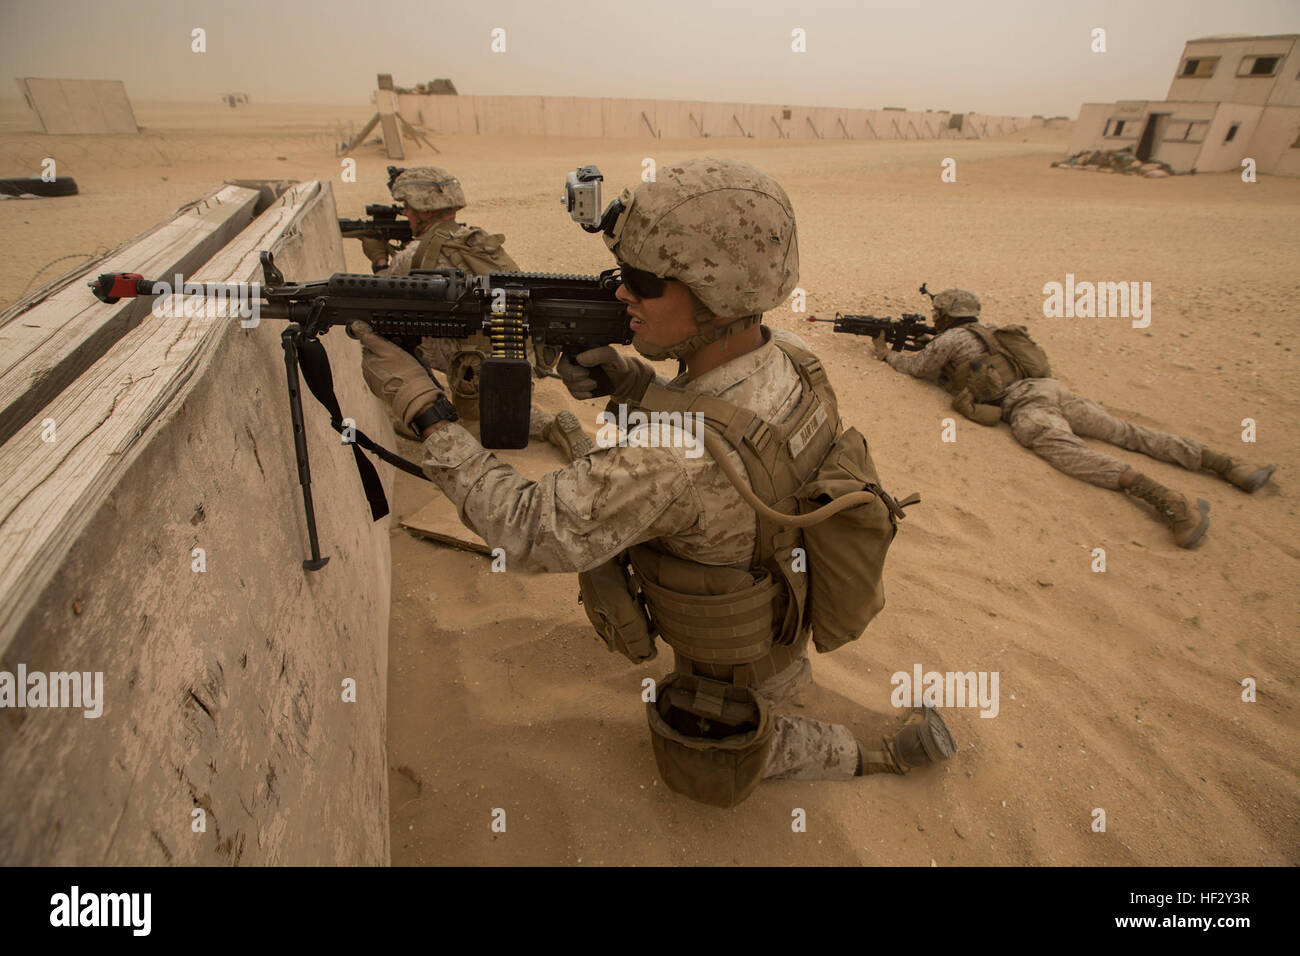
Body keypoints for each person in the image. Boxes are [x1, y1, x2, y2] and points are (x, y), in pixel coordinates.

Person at [350, 158, 955, 807]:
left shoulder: (671, 459)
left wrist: (425, 411)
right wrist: (635, 384)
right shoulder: (792, 361)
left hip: (725, 676)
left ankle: (871, 755)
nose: (620, 296)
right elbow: (752, 441)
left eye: (640, 281)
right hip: (781, 603)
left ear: (714, 295)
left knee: (706, 759)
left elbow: (525, 528)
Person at [872, 288, 1276, 547]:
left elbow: (917, 368)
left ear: (944, 316)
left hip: (1029, 406)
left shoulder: (952, 339)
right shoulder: (994, 332)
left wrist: (886, 354)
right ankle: (1230, 465)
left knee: (1074, 455)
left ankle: (1171, 503)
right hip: (1056, 390)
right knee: (1129, 432)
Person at [357, 165, 589, 457]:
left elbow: (380, 296)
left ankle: (435, 407)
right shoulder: (477, 240)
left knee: (388, 333)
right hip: (517, 353)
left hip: (473, 364)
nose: (406, 214)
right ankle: (539, 421)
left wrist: (379, 258)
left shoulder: (411, 256)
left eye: (408, 208)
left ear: (424, 210)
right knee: (498, 406)